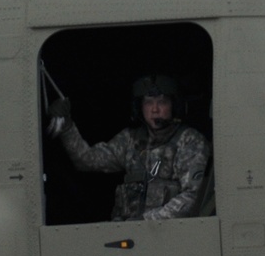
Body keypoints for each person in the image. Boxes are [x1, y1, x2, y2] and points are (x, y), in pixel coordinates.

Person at [48, 75, 211, 221]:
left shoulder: (190, 141)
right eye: (148, 102)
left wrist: (147, 221)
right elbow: (86, 160)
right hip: (129, 238)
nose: (155, 109)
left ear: (173, 105)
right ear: (139, 107)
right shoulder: (130, 140)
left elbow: (192, 196)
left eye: (162, 102)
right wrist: (67, 126)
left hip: (170, 236)